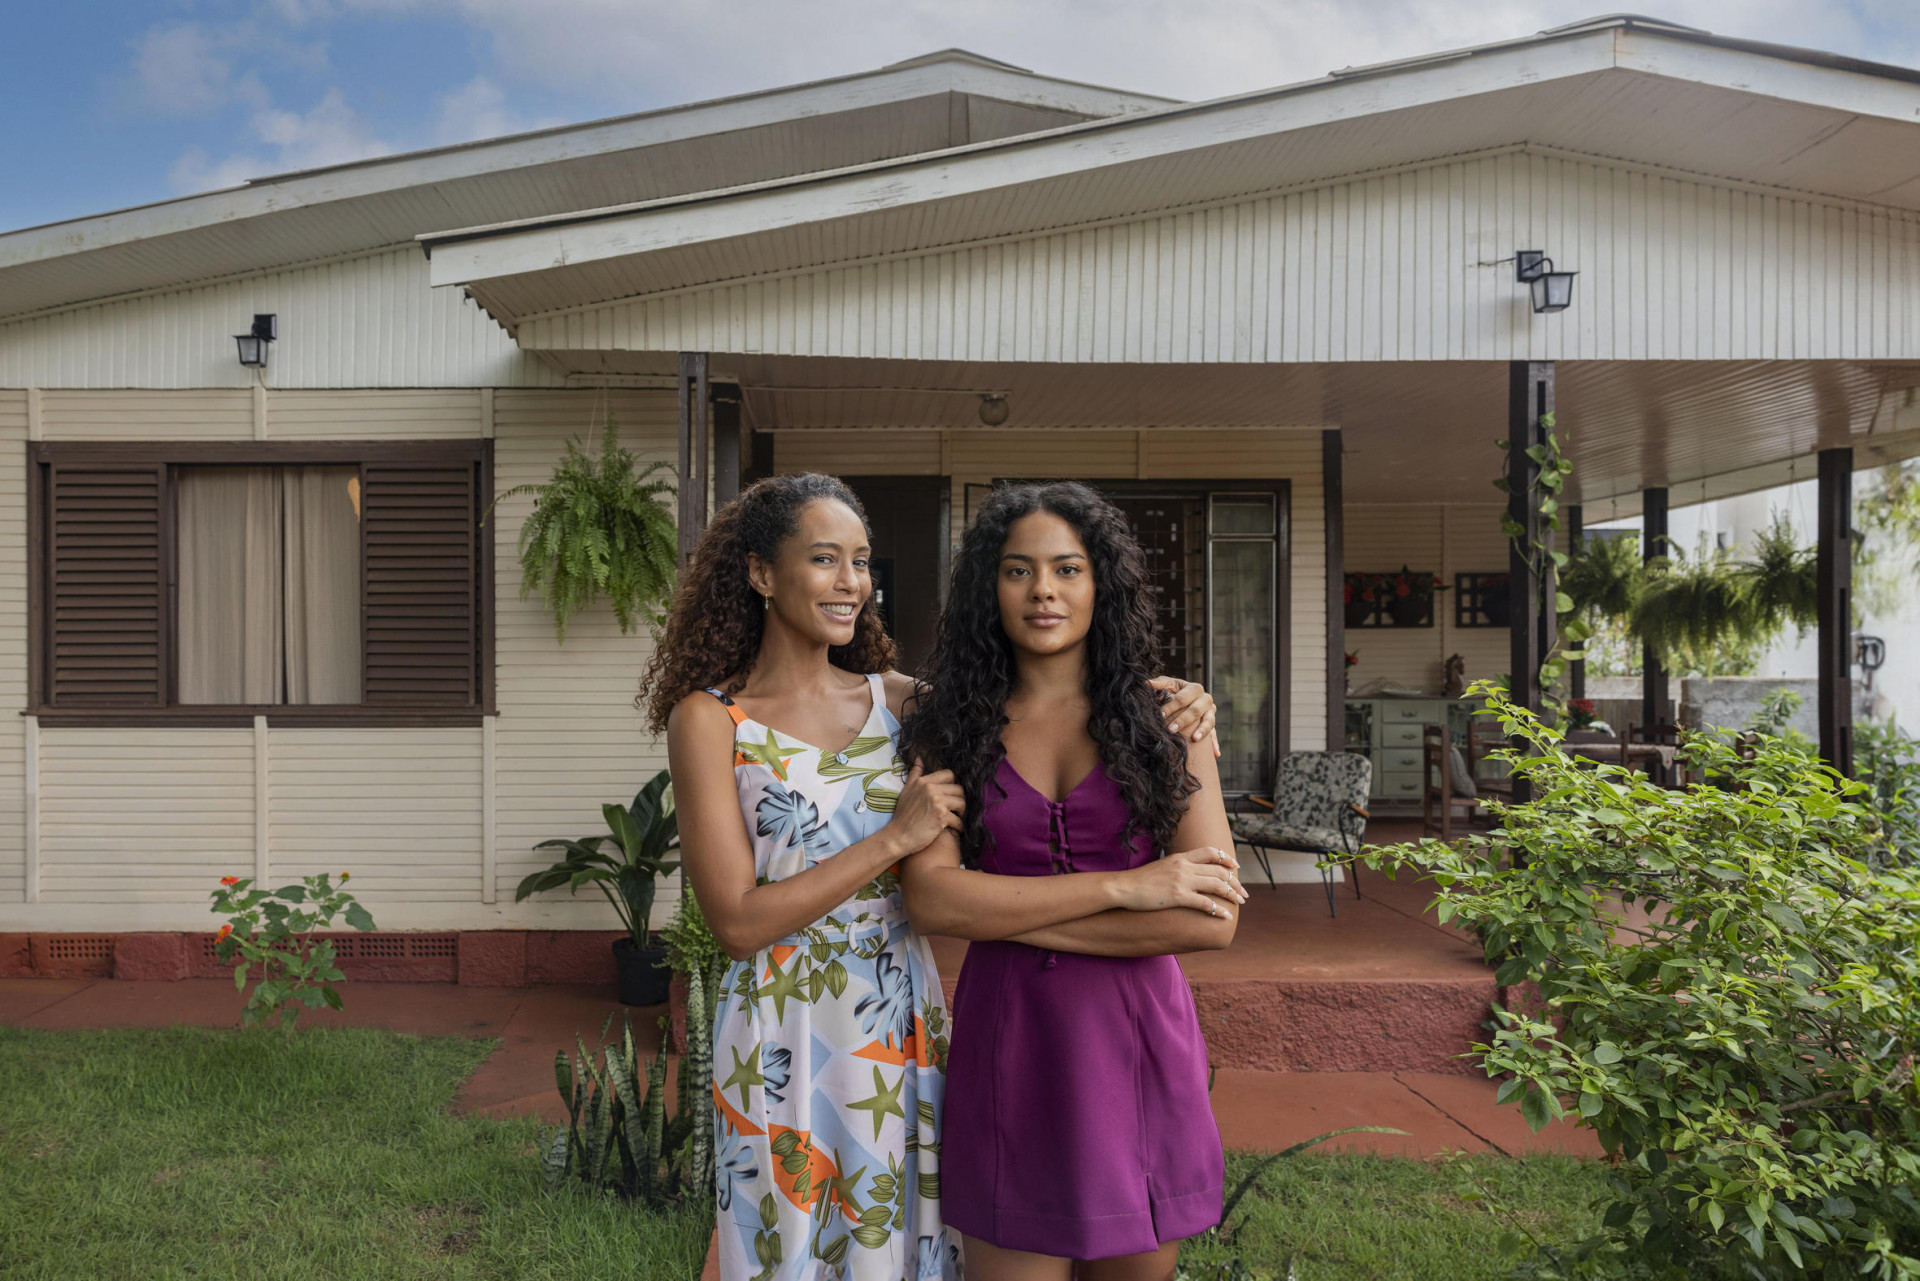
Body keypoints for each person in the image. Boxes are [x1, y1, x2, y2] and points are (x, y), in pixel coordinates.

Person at [643, 473, 1219, 1279]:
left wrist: (1187, 700)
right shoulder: (710, 717)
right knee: (787, 1245)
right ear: (761, 572)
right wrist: (893, 841)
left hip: (898, 1013)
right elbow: (737, 920)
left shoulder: (907, 704)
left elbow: (1028, 694)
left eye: (861, 561)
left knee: (909, 1246)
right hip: (784, 1025)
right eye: (824, 558)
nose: (850, 581)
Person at [898, 481, 1243, 1281]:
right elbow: (930, 898)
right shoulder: (951, 725)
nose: (1043, 591)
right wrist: (1127, 886)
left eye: (1067, 568)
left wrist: (999, 910)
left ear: (1100, 584)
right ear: (990, 587)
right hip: (1010, 1046)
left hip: (1138, 1044)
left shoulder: (1169, 722)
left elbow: (1212, 917)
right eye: (1018, 570)